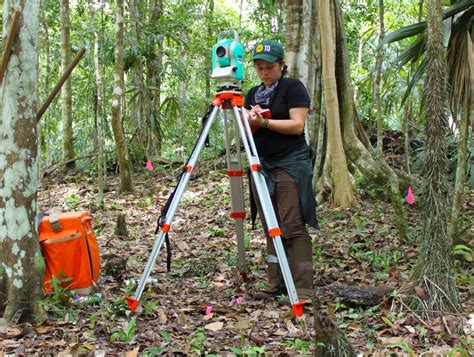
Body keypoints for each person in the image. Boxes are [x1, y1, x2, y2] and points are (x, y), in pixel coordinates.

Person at [245, 40, 318, 303]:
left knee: (292, 225)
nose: (265, 72)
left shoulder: (292, 88)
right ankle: (274, 282)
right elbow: (249, 131)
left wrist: (264, 121)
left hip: (290, 162)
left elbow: (297, 125)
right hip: (261, 164)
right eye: (260, 68)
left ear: (281, 66)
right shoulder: (252, 94)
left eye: (270, 67)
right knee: (271, 227)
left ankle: (303, 288)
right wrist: (250, 120)